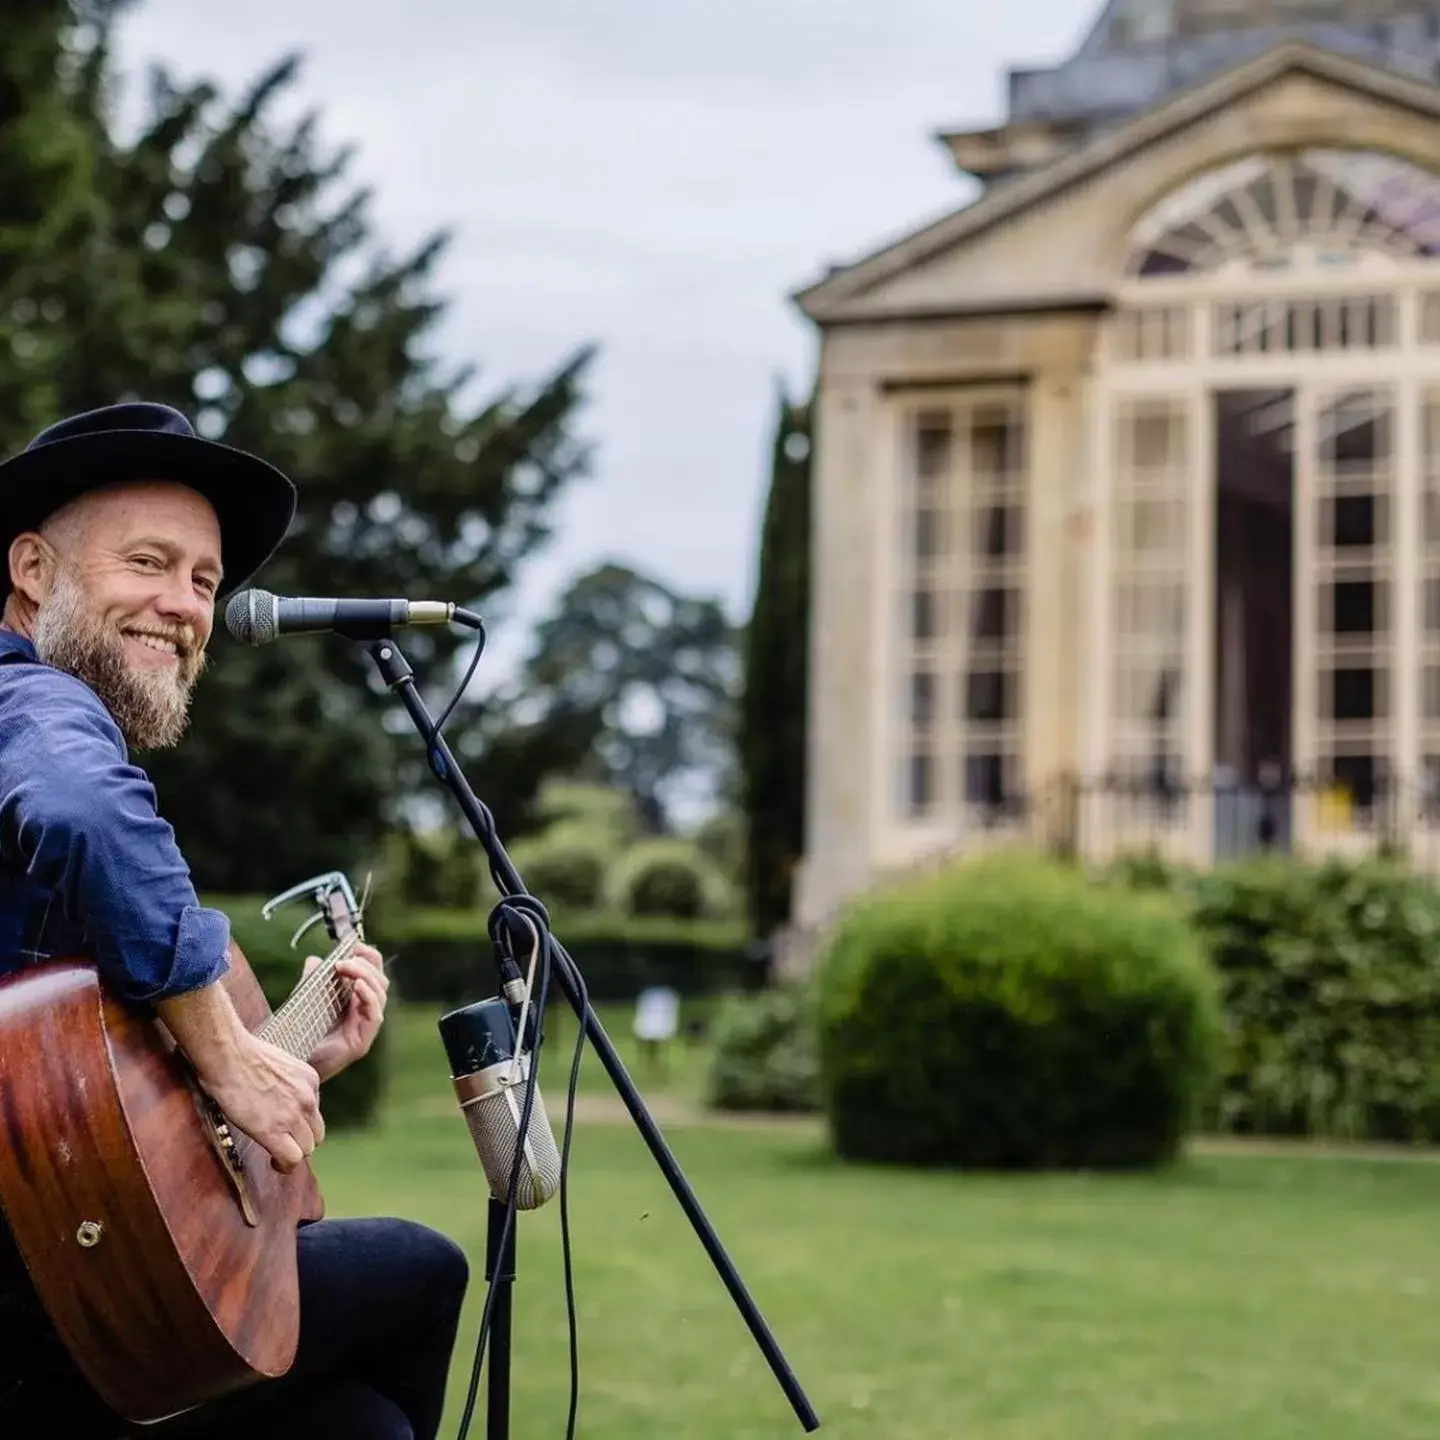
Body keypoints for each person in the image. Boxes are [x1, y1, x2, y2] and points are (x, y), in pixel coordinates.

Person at [0, 403, 469, 1439]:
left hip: (69, 1258)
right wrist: (224, 1049)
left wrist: (284, 1053)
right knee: (418, 1270)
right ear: (33, 570)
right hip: (39, 1295)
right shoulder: (27, 699)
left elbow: (77, 1099)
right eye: (147, 562)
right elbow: (82, 810)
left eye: (205, 581)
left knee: (358, 1427)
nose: (182, 605)